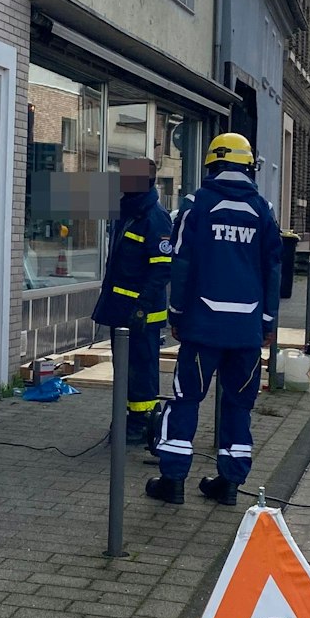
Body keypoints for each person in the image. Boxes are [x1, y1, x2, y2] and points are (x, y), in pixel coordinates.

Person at [147, 133, 281, 506]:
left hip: (202, 327)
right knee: (239, 405)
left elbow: (182, 263)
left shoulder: (196, 204)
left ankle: (173, 481)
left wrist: (176, 314)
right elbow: (273, 270)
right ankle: (230, 485)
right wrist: (267, 324)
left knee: (186, 399)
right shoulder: (263, 210)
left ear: (212, 164)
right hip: (247, 330)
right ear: (248, 166)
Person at [92, 158, 174, 445]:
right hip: (121, 311)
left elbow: (162, 267)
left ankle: (142, 424)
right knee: (125, 371)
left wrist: (141, 306)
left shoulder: (155, 217)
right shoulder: (126, 212)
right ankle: (130, 419)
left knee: (142, 372)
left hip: (142, 314)